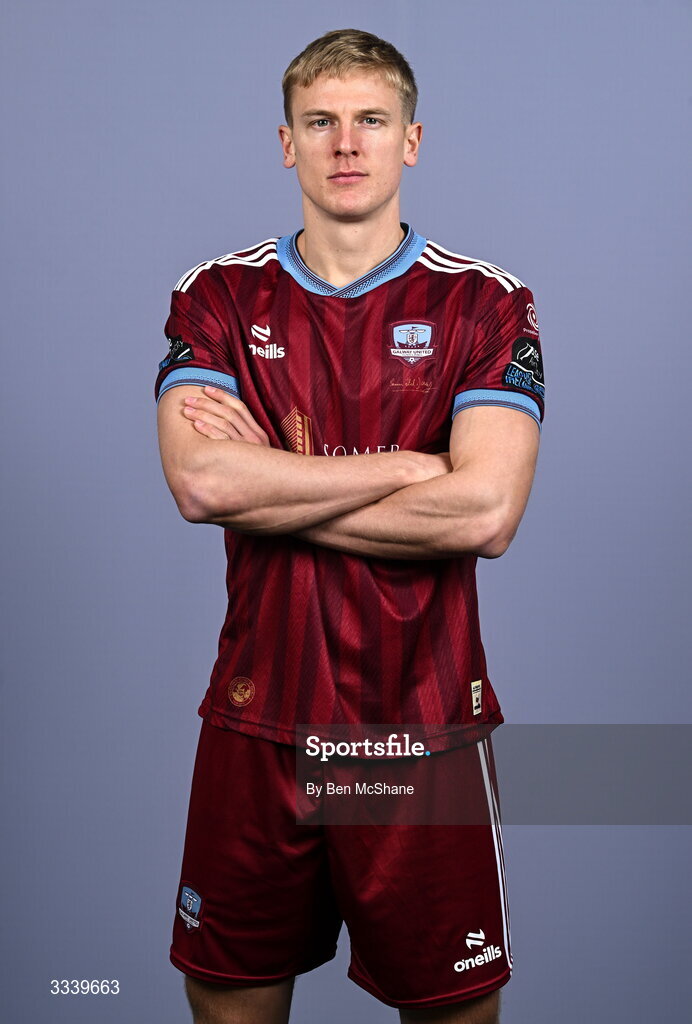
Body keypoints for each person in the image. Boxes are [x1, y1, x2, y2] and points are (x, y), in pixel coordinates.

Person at [155, 27, 544, 1024]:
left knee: (451, 1012)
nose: (345, 144)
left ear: (410, 140)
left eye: (370, 120)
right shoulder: (218, 295)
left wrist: (274, 485)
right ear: (285, 143)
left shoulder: (482, 303)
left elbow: (487, 509)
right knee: (229, 1003)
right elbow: (200, 483)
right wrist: (413, 470)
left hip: (416, 736)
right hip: (258, 721)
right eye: (319, 122)